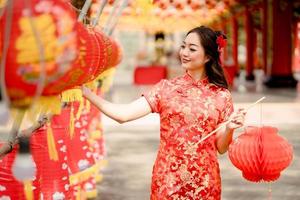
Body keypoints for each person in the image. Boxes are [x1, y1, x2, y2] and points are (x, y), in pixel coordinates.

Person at [82, 26, 246, 199]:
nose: (184, 52)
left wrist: (229, 128)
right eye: (183, 46)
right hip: (168, 180)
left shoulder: (221, 96)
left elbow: (221, 147)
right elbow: (124, 115)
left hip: (205, 182)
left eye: (192, 48)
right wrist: (87, 93)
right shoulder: (166, 89)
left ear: (207, 56)